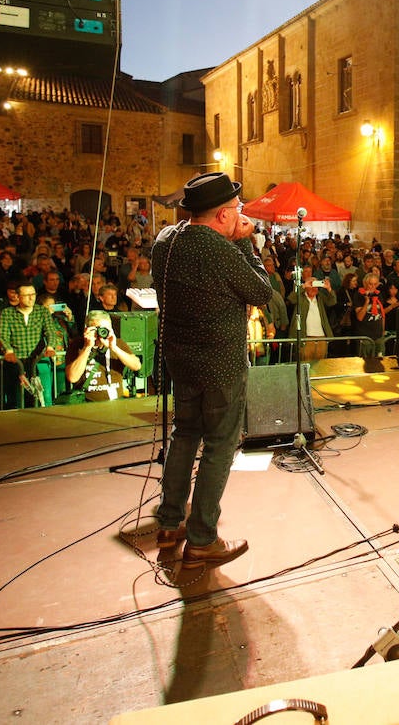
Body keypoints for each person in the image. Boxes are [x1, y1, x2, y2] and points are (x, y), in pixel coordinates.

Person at [151, 172, 274, 569]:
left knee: (184, 433)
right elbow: (262, 293)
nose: (241, 215)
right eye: (237, 211)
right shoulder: (218, 248)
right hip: (220, 363)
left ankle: (170, 522)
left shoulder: (165, 240)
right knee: (221, 446)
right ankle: (202, 539)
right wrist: (248, 244)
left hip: (180, 359)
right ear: (222, 216)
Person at [65, 310, 142, 401]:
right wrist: (87, 347)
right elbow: (72, 377)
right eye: (97, 329)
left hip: (116, 402)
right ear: (88, 329)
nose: (102, 332)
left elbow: (137, 366)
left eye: (106, 329)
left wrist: (114, 348)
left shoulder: (118, 343)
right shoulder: (77, 344)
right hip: (89, 404)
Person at [289, 277, 337, 362]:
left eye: (316, 286)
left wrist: (329, 288)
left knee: (321, 365)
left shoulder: (320, 297)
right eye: (311, 285)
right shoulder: (300, 296)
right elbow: (291, 299)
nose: (313, 289)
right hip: (305, 338)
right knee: (305, 364)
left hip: (321, 338)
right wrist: (303, 286)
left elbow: (332, 302)